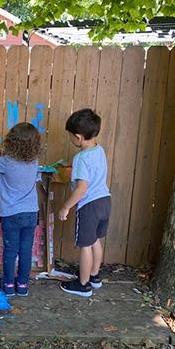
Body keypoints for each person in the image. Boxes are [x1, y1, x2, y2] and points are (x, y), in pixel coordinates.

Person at [0, 122, 41, 297]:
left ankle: (8, 285)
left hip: (11, 214)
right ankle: (22, 286)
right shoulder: (34, 161)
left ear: (12, 142)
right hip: (30, 213)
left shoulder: (5, 162)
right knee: (25, 250)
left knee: (11, 250)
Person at [58, 108, 112, 297]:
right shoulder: (99, 150)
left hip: (89, 205)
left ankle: (83, 284)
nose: (70, 139)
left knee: (85, 246)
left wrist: (66, 206)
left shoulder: (81, 158)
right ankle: (94, 276)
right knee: (95, 240)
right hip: (105, 200)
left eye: (70, 136)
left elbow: (82, 189)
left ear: (78, 137)